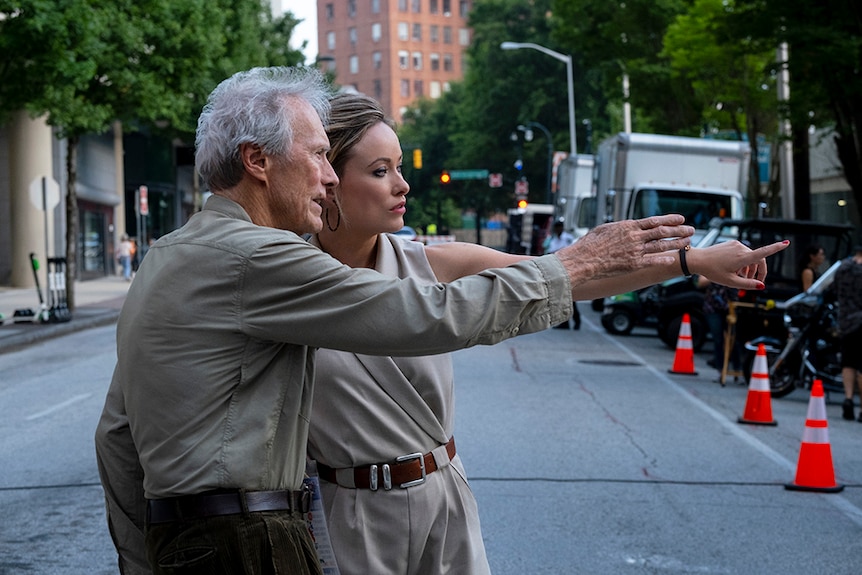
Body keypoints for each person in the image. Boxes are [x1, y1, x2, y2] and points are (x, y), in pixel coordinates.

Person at [93, 66, 787, 575]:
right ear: (262, 162)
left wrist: (688, 260)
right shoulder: (272, 265)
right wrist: (576, 262)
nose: (397, 185)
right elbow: (430, 315)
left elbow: (118, 435)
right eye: (360, 168)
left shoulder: (175, 255)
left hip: (434, 500)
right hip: (326, 519)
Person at [835, 244, 862, 421]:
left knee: (848, 363)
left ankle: (848, 399)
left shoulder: (843, 267)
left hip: (846, 321)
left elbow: (834, 290)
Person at [697, 275, 740, 372]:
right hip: (713, 307)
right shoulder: (711, 263)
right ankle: (720, 368)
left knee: (733, 338)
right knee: (718, 338)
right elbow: (700, 283)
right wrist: (716, 273)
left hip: (731, 306)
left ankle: (737, 368)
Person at [545, 219, 581, 329]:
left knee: (570, 298)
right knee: (563, 298)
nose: (557, 230)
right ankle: (565, 322)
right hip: (557, 270)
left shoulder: (568, 238)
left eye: (558, 227)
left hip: (568, 269)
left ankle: (576, 321)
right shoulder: (553, 239)